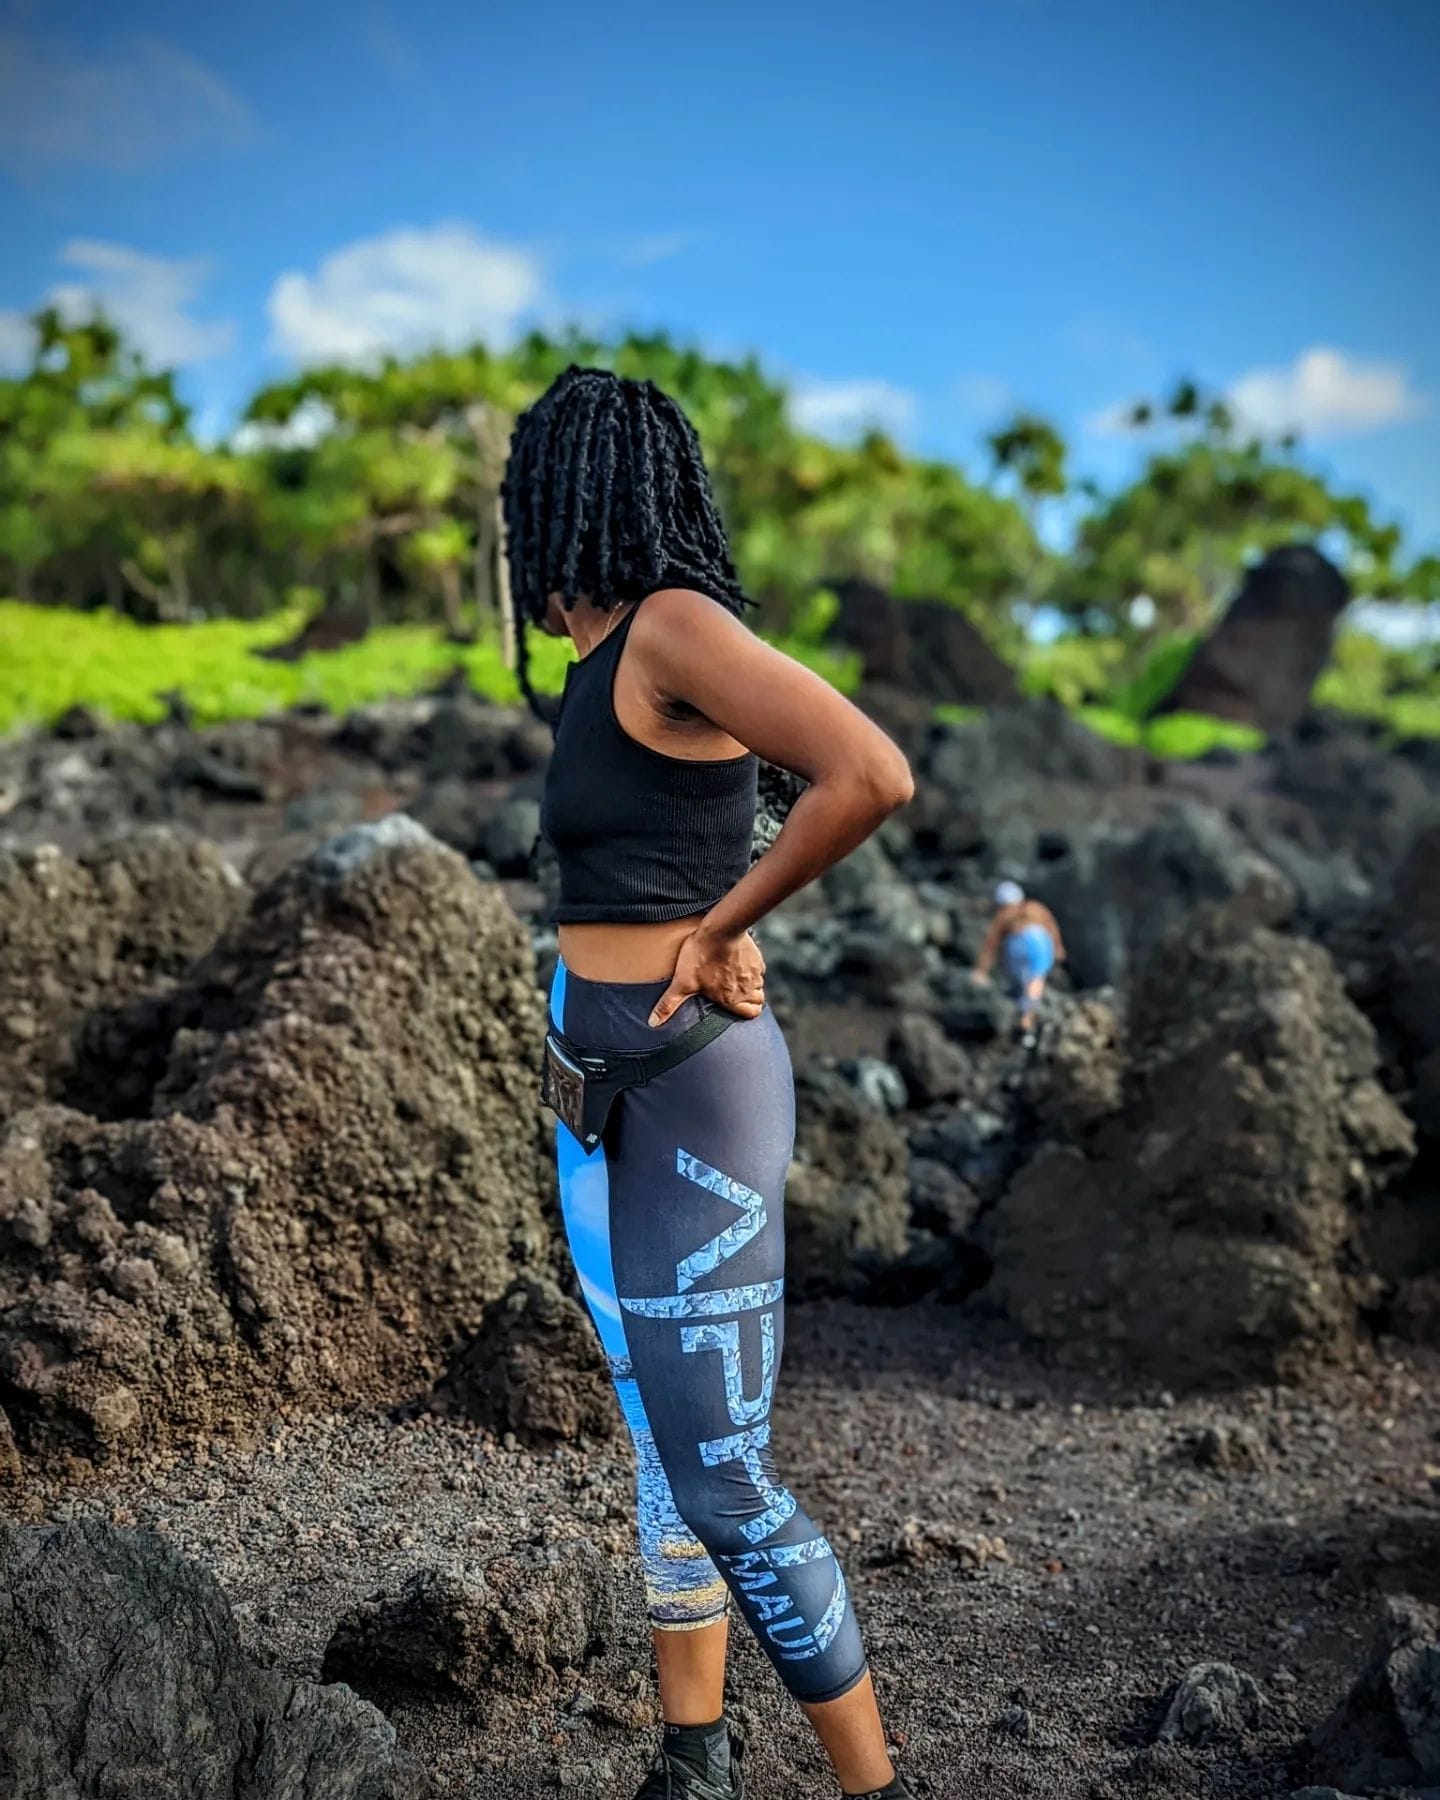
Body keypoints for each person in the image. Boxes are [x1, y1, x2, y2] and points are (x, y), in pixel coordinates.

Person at [501, 366, 917, 1800]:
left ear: (562, 497)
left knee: (726, 1473)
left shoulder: (680, 628)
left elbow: (867, 772)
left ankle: (878, 1789)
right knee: (654, 1425)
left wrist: (730, 927)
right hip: (593, 1088)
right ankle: (695, 1756)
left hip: (690, 1094)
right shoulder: (593, 658)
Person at [973, 879, 1065, 1046]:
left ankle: (1025, 1018)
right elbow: (1051, 927)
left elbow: (991, 944)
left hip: (1017, 946)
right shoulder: (1035, 908)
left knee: (1024, 981)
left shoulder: (1003, 916)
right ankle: (1027, 1017)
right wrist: (1058, 948)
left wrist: (981, 970)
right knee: (1036, 978)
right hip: (1039, 941)